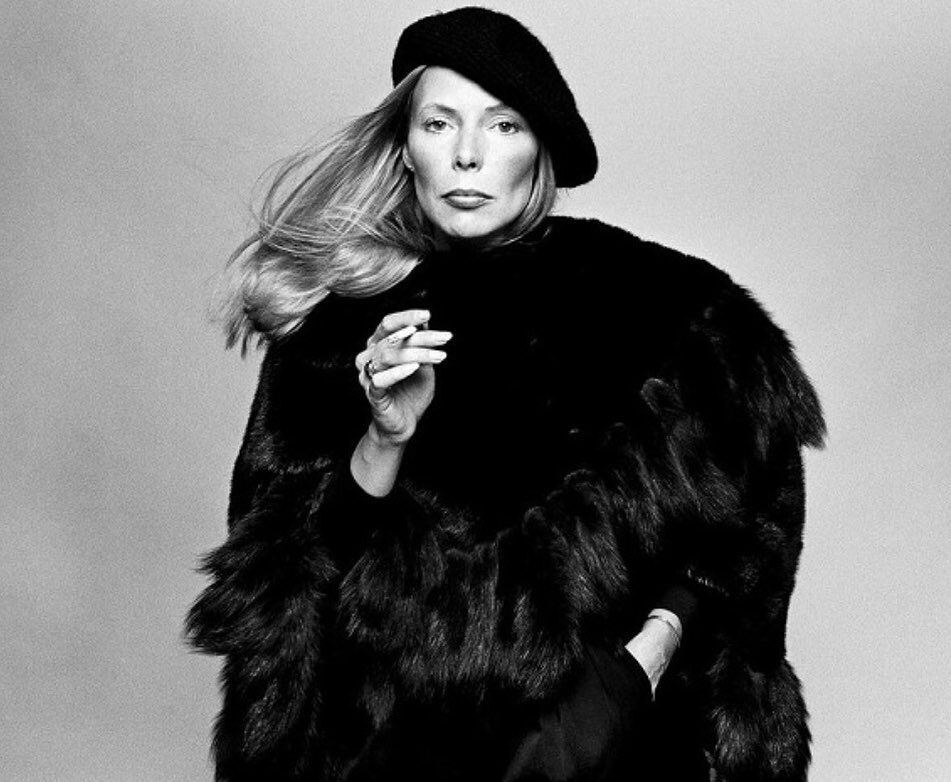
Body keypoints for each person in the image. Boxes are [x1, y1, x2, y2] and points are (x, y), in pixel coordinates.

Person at [186, 7, 824, 782]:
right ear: (404, 145)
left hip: (603, 757)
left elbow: (750, 525)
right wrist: (384, 438)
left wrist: (641, 663)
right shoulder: (334, 332)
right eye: (439, 124)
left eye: (502, 126)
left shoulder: (662, 307)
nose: (466, 155)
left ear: (539, 148)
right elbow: (284, 604)